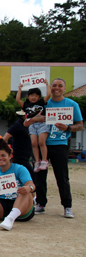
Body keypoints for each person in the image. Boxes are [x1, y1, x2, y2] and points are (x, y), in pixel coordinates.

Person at [24, 78, 83, 218]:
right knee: (39, 175)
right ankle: (41, 203)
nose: (57, 88)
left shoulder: (72, 104)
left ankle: (67, 206)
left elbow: (80, 125)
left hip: (60, 144)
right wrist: (36, 119)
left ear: (64, 88)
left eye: (60, 86)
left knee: (62, 176)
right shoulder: (43, 103)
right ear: (50, 88)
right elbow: (29, 119)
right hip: (39, 144)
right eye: (54, 85)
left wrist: (68, 127)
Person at [16, 81, 52, 172]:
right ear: (28, 96)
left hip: (42, 124)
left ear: (39, 97)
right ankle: (37, 161)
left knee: (41, 142)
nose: (34, 97)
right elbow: (18, 100)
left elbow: (48, 95)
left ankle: (44, 160)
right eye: (32, 95)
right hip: (32, 125)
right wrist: (19, 89)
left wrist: (47, 84)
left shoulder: (41, 102)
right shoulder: (26, 105)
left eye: (36, 95)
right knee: (34, 144)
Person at [3, 111, 34, 183]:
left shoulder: (29, 125)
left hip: (26, 156)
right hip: (19, 157)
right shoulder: (17, 125)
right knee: (31, 177)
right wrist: (7, 150)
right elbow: (5, 138)